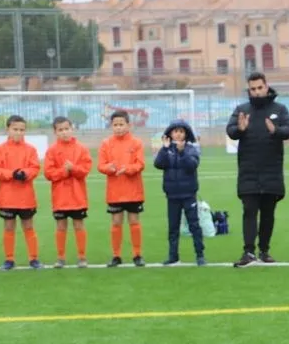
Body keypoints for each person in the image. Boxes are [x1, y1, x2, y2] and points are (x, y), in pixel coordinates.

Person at [225, 71, 289, 266]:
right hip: (248, 171)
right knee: (249, 210)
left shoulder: (279, 109)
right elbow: (230, 131)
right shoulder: (242, 110)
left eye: (259, 88)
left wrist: (276, 131)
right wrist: (240, 129)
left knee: (268, 213)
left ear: (266, 86)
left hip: (271, 171)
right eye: (252, 89)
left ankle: (264, 250)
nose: (256, 92)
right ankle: (248, 251)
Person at [154, 119, 206, 266]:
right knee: (173, 227)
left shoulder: (191, 149)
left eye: (181, 131)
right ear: (170, 133)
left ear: (186, 134)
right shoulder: (166, 149)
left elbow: (192, 165)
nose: (178, 134)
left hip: (189, 194)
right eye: (175, 131)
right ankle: (173, 256)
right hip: (172, 195)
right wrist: (164, 149)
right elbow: (158, 164)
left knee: (194, 225)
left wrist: (182, 153)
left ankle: (200, 254)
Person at [0, 115, 42, 270]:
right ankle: (9, 259)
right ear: (8, 129)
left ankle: (34, 258)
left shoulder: (30, 149)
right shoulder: (0, 149)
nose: (18, 132)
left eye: (22, 130)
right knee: (8, 227)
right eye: (15, 129)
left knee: (28, 227)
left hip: (26, 197)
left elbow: (35, 168)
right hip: (7, 197)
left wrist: (25, 173)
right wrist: (12, 174)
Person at [99, 110, 146, 267]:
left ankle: (137, 254)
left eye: (121, 124)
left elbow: (140, 164)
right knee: (116, 222)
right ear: (111, 126)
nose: (118, 128)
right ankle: (116, 255)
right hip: (115, 191)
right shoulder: (106, 143)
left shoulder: (136, 143)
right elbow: (100, 165)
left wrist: (127, 169)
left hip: (133, 190)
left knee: (134, 221)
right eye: (115, 125)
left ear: (129, 125)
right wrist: (109, 168)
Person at [44, 116, 92, 269]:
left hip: (78, 196)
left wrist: (74, 169)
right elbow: (48, 173)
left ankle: (82, 256)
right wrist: (64, 171)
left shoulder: (81, 148)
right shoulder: (52, 150)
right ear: (55, 132)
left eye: (66, 129)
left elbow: (85, 170)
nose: (64, 132)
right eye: (60, 130)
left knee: (79, 225)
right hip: (60, 197)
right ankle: (60, 257)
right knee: (60, 227)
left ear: (72, 129)